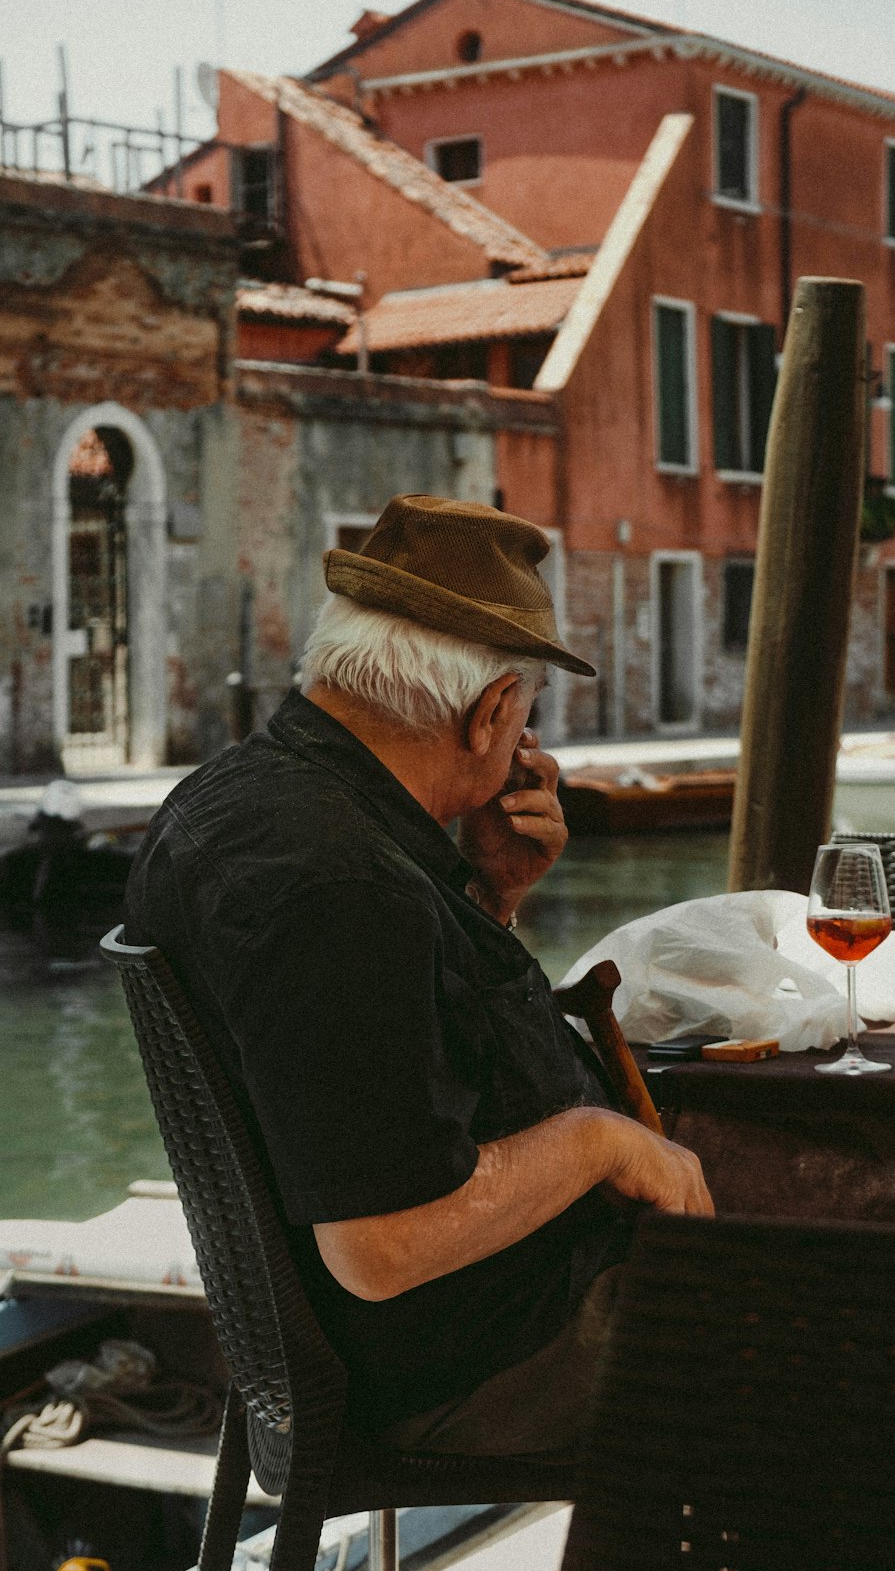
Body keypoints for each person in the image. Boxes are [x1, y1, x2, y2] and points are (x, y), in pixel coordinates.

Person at [125, 494, 711, 1457]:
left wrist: (492, 897)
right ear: (489, 715)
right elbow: (380, 1247)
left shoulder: (240, 799)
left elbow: (387, 1067)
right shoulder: (339, 882)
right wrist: (601, 1143)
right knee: (845, 1327)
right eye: (527, 709)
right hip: (467, 1365)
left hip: (421, 1340)